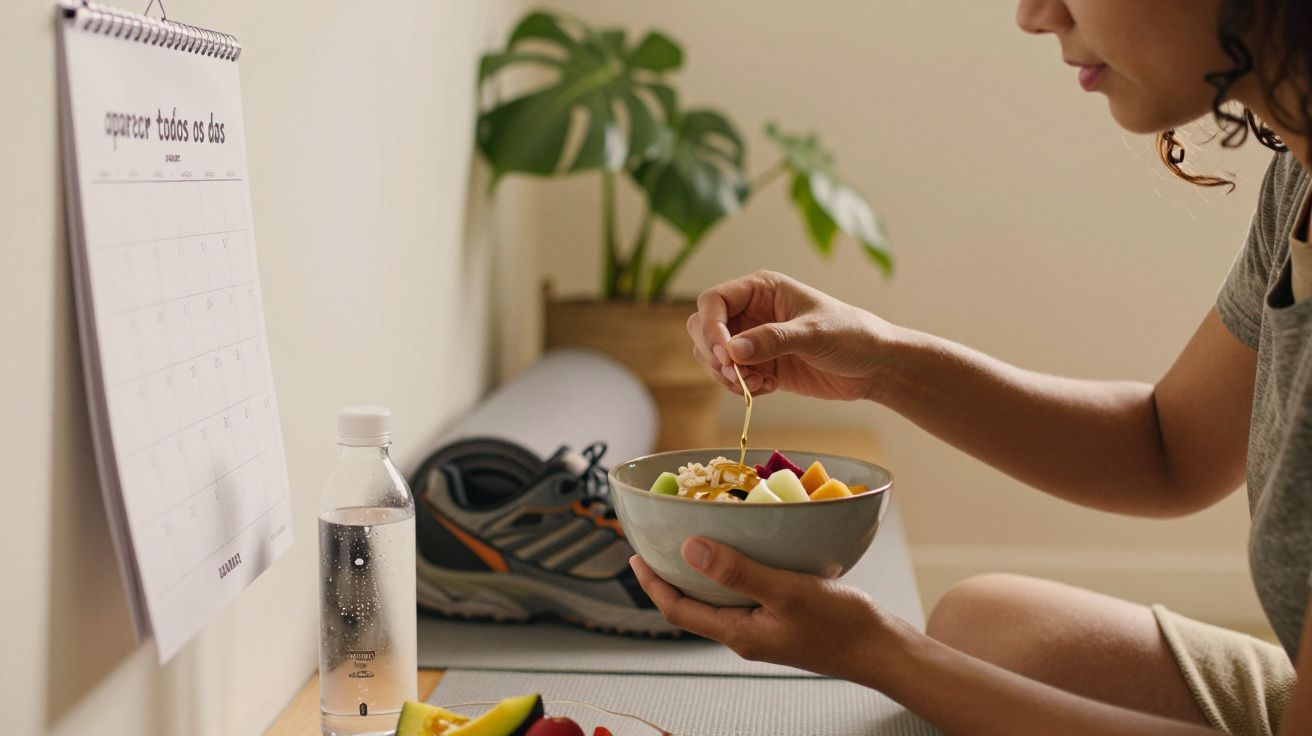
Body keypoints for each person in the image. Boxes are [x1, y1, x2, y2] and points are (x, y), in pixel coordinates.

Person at [627, 1, 1312, 734]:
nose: (1034, 14)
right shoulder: (1297, 181)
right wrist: (880, 363)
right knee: (985, 626)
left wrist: (878, 652)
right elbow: (1167, 446)